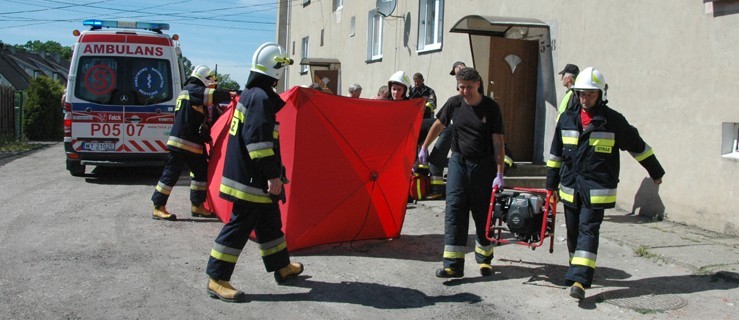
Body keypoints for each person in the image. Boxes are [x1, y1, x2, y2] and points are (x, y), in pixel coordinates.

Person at [545, 67, 664, 300]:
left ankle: (580, 280)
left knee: (588, 230)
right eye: (581, 93)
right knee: (573, 232)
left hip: (596, 190)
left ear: (601, 94)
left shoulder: (613, 121)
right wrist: (551, 186)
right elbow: (555, 155)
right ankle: (577, 268)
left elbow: (638, 146)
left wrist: (655, 171)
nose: (585, 98)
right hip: (570, 188)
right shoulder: (566, 118)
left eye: (590, 94)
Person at [205, 43, 304, 303]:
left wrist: (274, 174)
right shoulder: (260, 98)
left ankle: (281, 267)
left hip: (249, 176)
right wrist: (273, 175)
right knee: (238, 227)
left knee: (270, 223)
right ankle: (217, 278)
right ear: (276, 69)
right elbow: (258, 143)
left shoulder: (252, 94)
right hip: (251, 180)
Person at [419, 67, 506, 278]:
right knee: (455, 209)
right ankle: (453, 264)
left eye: (469, 87)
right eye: (461, 87)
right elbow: (439, 125)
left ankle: (485, 260)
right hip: (458, 161)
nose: (465, 91)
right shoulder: (454, 103)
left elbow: (498, 141)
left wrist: (499, 172)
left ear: (478, 84)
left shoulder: (490, 108)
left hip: (483, 165)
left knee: (482, 211)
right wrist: (424, 147)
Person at [151, 65, 237, 221]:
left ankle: (197, 206)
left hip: (191, 144)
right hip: (182, 143)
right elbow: (211, 95)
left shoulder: (190, 91)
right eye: (210, 81)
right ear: (204, 78)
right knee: (171, 174)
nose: (211, 85)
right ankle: (158, 206)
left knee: (200, 173)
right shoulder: (192, 89)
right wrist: (231, 94)